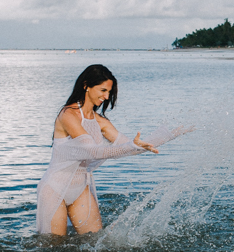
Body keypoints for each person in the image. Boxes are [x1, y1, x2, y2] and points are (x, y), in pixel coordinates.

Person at [36, 64, 184, 236]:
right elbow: (93, 152)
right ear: (86, 85)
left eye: (109, 92)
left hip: (80, 187)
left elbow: (130, 147)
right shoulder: (68, 114)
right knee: (53, 248)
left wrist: (170, 135)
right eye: (103, 90)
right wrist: (132, 145)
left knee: (94, 240)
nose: (106, 97)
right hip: (54, 187)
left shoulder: (100, 121)